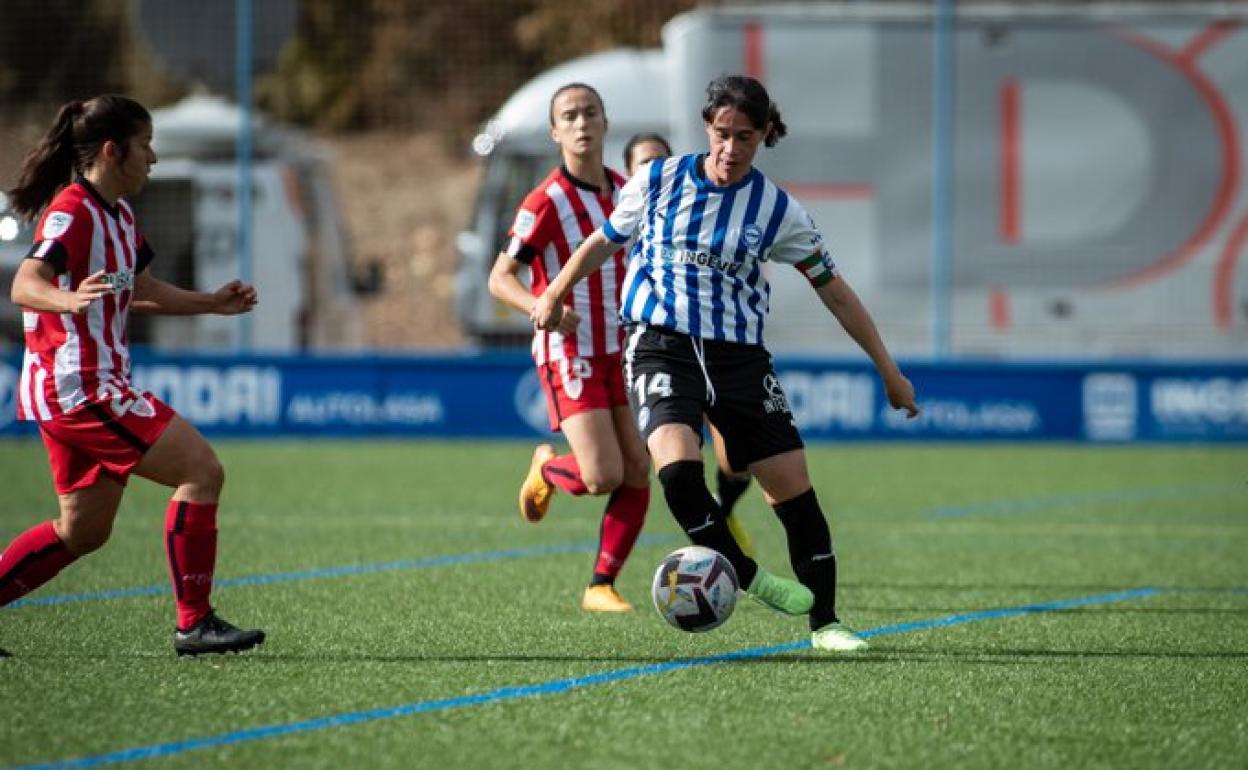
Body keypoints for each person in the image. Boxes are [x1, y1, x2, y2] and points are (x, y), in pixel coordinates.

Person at [534, 75, 919, 652]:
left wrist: (888, 370)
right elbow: (604, 240)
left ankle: (828, 624)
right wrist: (557, 289)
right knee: (678, 474)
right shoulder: (658, 181)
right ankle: (745, 574)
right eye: (721, 134)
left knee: (795, 495)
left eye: (745, 137)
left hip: (739, 359)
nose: (730, 148)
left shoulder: (777, 208)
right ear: (706, 127)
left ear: (764, 135)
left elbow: (835, 291)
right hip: (661, 344)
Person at [0, 95, 265, 658]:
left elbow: (139, 290)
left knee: (84, 530)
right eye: (145, 146)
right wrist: (67, 300)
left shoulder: (118, 214)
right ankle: (194, 624)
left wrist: (210, 303)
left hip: (79, 389)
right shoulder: (72, 211)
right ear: (112, 150)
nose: (154, 158)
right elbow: (25, 283)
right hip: (81, 388)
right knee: (201, 469)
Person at [487, 83, 650, 613]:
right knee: (602, 475)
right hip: (570, 350)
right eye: (570, 116)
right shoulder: (545, 201)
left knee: (638, 469)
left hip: (621, 349)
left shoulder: (628, 192)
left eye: (590, 113)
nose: (582, 123)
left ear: (605, 123)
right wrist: (544, 305)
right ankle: (547, 468)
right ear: (556, 132)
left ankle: (601, 583)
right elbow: (499, 278)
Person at [622, 132, 756, 559]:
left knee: (739, 459)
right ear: (628, 174)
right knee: (645, 464)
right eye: (643, 164)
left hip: (717, 347)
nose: (653, 171)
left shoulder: (693, 216)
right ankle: (719, 547)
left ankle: (725, 510)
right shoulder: (622, 223)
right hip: (655, 350)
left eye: (659, 162)